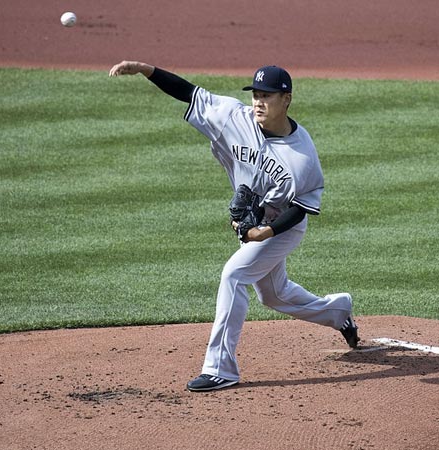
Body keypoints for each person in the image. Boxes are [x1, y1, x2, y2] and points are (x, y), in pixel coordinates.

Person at [109, 61, 360, 392]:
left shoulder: (302, 155)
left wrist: (264, 233)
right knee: (274, 295)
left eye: (267, 96)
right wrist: (146, 69)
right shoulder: (232, 117)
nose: (258, 102)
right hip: (256, 221)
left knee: (234, 275)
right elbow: (189, 94)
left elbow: (300, 209)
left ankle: (220, 368)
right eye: (255, 94)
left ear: (286, 99)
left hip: (282, 227)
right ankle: (338, 311)